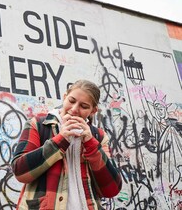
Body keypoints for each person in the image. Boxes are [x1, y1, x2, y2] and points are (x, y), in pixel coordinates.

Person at [11, 80, 122, 210]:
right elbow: (20, 172)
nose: (74, 109)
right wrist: (60, 140)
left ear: (93, 110)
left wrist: (90, 144)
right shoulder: (39, 125)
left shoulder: (98, 136)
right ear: (64, 97)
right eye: (71, 101)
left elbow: (111, 189)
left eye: (84, 106)